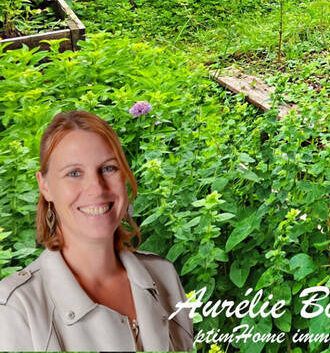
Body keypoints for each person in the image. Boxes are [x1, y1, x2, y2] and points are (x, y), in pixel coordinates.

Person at [0, 111, 194, 351]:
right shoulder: (16, 308)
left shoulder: (164, 276)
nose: (96, 188)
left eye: (108, 168)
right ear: (45, 186)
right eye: (74, 173)